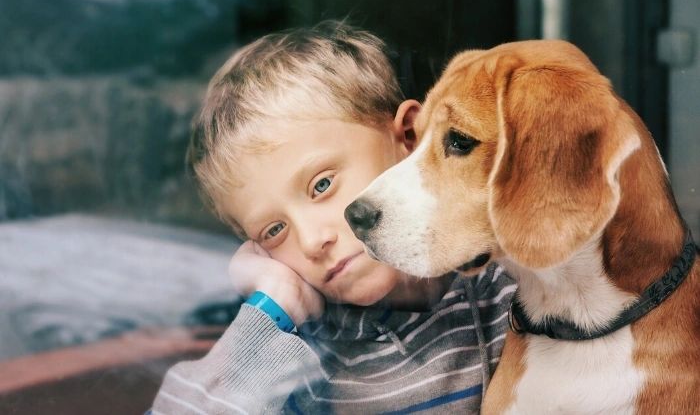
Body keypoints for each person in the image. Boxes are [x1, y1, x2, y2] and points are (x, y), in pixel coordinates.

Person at [152, 21, 515, 414]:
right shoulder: (300, 362)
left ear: (408, 138)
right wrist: (274, 303)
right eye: (274, 231)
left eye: (322, 186)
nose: (312, 240)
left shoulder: (510, 285)